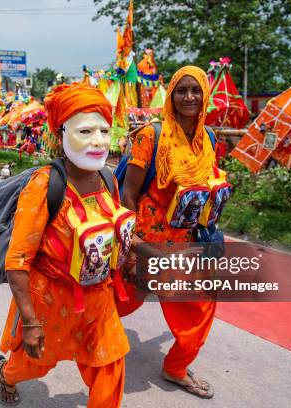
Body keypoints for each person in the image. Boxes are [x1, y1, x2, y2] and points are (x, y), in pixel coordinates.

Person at [0, 82, 130, 407]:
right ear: (60, 134)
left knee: (110, 368)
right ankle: (6, 375)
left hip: (99, 304)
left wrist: (144, 252)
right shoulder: (45, 187)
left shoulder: (109, 179)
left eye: (104, 131)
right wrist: (30, 322)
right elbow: (18, 261)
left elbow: (111, 233)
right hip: (49, 305)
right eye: (85, 131)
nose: (98, 141)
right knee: (30, 366)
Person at [120, 66, 218, 399]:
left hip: (185, 243)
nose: (188, 97)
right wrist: (130, 245)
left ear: (205, 95)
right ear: (172, 95)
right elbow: (128, 193)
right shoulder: (152, 135)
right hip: (146, 241)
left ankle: (175, 367)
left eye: (195, 90)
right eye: (181, 90)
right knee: (113, 302)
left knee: (200, 306)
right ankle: (55, 329)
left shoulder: (209, 138)